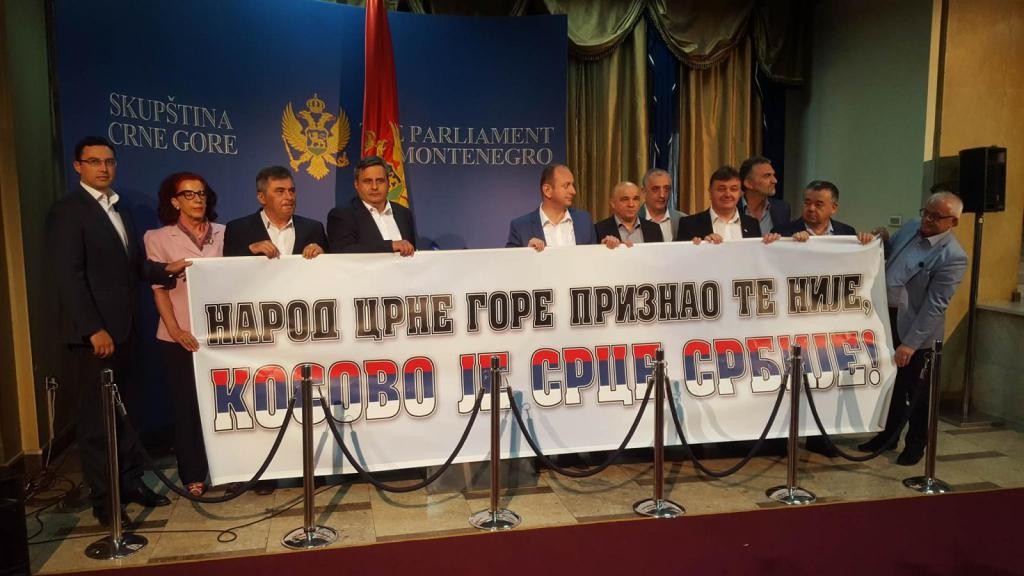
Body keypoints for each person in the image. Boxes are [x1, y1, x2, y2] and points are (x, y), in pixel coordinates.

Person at [47, 136, 188, 527]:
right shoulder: (67, 211)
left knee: (127, 414)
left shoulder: (119, 208)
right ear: (78, 166)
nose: (103, 168)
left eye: (109, 161)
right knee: (97, 423)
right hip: (95, 337)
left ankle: (130, 483)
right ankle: (105, 501)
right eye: (94, 162)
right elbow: (68, 277)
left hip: (126, 330)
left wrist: (164, 270)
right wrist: (93, 328)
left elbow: (131, 265)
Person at [858, 192, 967, 465]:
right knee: (891, 385)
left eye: (935, 217)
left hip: (918, 331)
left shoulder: (953, 256)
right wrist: (882, 239)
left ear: (953, 221)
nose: (927, 220)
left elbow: (935, 306)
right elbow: (888, 254)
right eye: (925, 212)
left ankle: (916, 444)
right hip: (887, 318)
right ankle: (887, 436)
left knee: (918, 393)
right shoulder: (910, 227)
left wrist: (910, 344)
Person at [143, 172, 223, 497]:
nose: (197, 199)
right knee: (186, 407)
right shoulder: (158, 237)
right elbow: (159, 289)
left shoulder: (224, 233)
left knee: (221, 404)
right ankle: (193, 473)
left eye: (201, 193)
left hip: (219, 336)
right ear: (175, 201)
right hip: (179, 336)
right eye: (189, 194)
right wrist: (176, 331)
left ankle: (227, 468)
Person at [223, 165, 327, 258]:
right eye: (280, 191)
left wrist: (323, 256)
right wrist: (249, 251)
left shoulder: (314, 229)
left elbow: (329, 268)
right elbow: (229, 269)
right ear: (261, 197)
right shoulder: (238, 230)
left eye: (291, 191)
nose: (289, 197)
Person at [327, 156, 416, 256]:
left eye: (380, 181)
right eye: (367, 181)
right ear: (356, 184)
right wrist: (390, 246)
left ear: (389, 183)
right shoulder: (342, 215)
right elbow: (343, 251)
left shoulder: (404, 213)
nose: (374, 187)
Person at [506, 164, 604, 250]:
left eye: (572, 185)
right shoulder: (520, 227)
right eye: (566, 185)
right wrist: (526, 253)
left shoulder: (584, 220)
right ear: (547, 190)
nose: (573, 191)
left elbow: (593, 259)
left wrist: (606, 249)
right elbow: (509, 262)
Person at [675, 166, 775, 243]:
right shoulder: (689, 224)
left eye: (733, 189)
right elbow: (681, 259)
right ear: (710, 193)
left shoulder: (752, 224)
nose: (727, 194)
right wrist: (701, 247)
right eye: (721, 189)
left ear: (740, 193)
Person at [774, 180, 874, 243]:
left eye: (818, 204)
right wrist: (791, 242)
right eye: (807, 203)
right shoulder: (782, 232)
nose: (811, 208)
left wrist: (867, 242)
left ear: (833, 208)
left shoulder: (847, 232)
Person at [594, 181, 664, 245]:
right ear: (613, 203)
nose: (631, 204)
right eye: (625, 199)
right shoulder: (598, 230)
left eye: (635, 199)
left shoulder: (654, 229)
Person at [739, 156, 791, 235]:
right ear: (748, 183)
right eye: (767, 176)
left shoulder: (782, 209)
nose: (774, 181)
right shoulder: (732, 208)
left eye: (773, 175)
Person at [638, 168, 685, 241]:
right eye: (655, 189)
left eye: (666, 189)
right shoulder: (633, 220)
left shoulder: (683, 220)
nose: (662, 195)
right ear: (644, 192)